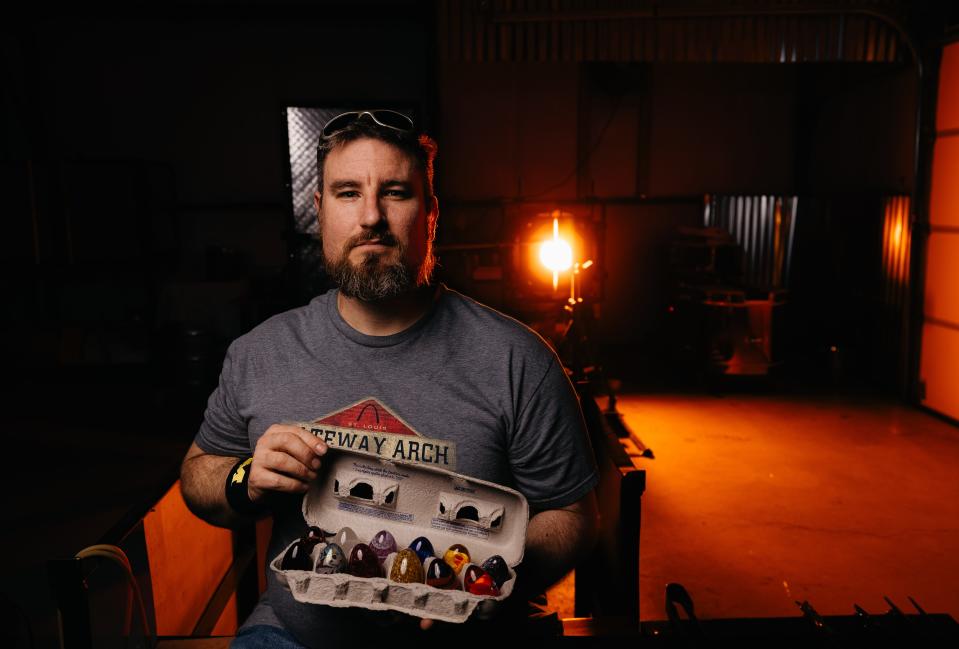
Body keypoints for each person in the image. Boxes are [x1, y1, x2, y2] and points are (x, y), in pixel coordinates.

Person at [179, 110, 600, 648]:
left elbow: (573, 515)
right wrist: (246, 479)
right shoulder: (261, 353)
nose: (371, 217)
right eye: (348, 192)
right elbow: (198, 474)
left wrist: (494, 583)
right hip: (297, 636)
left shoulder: (516, 359)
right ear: (320, 211)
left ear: (431, 214)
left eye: (396, 192)